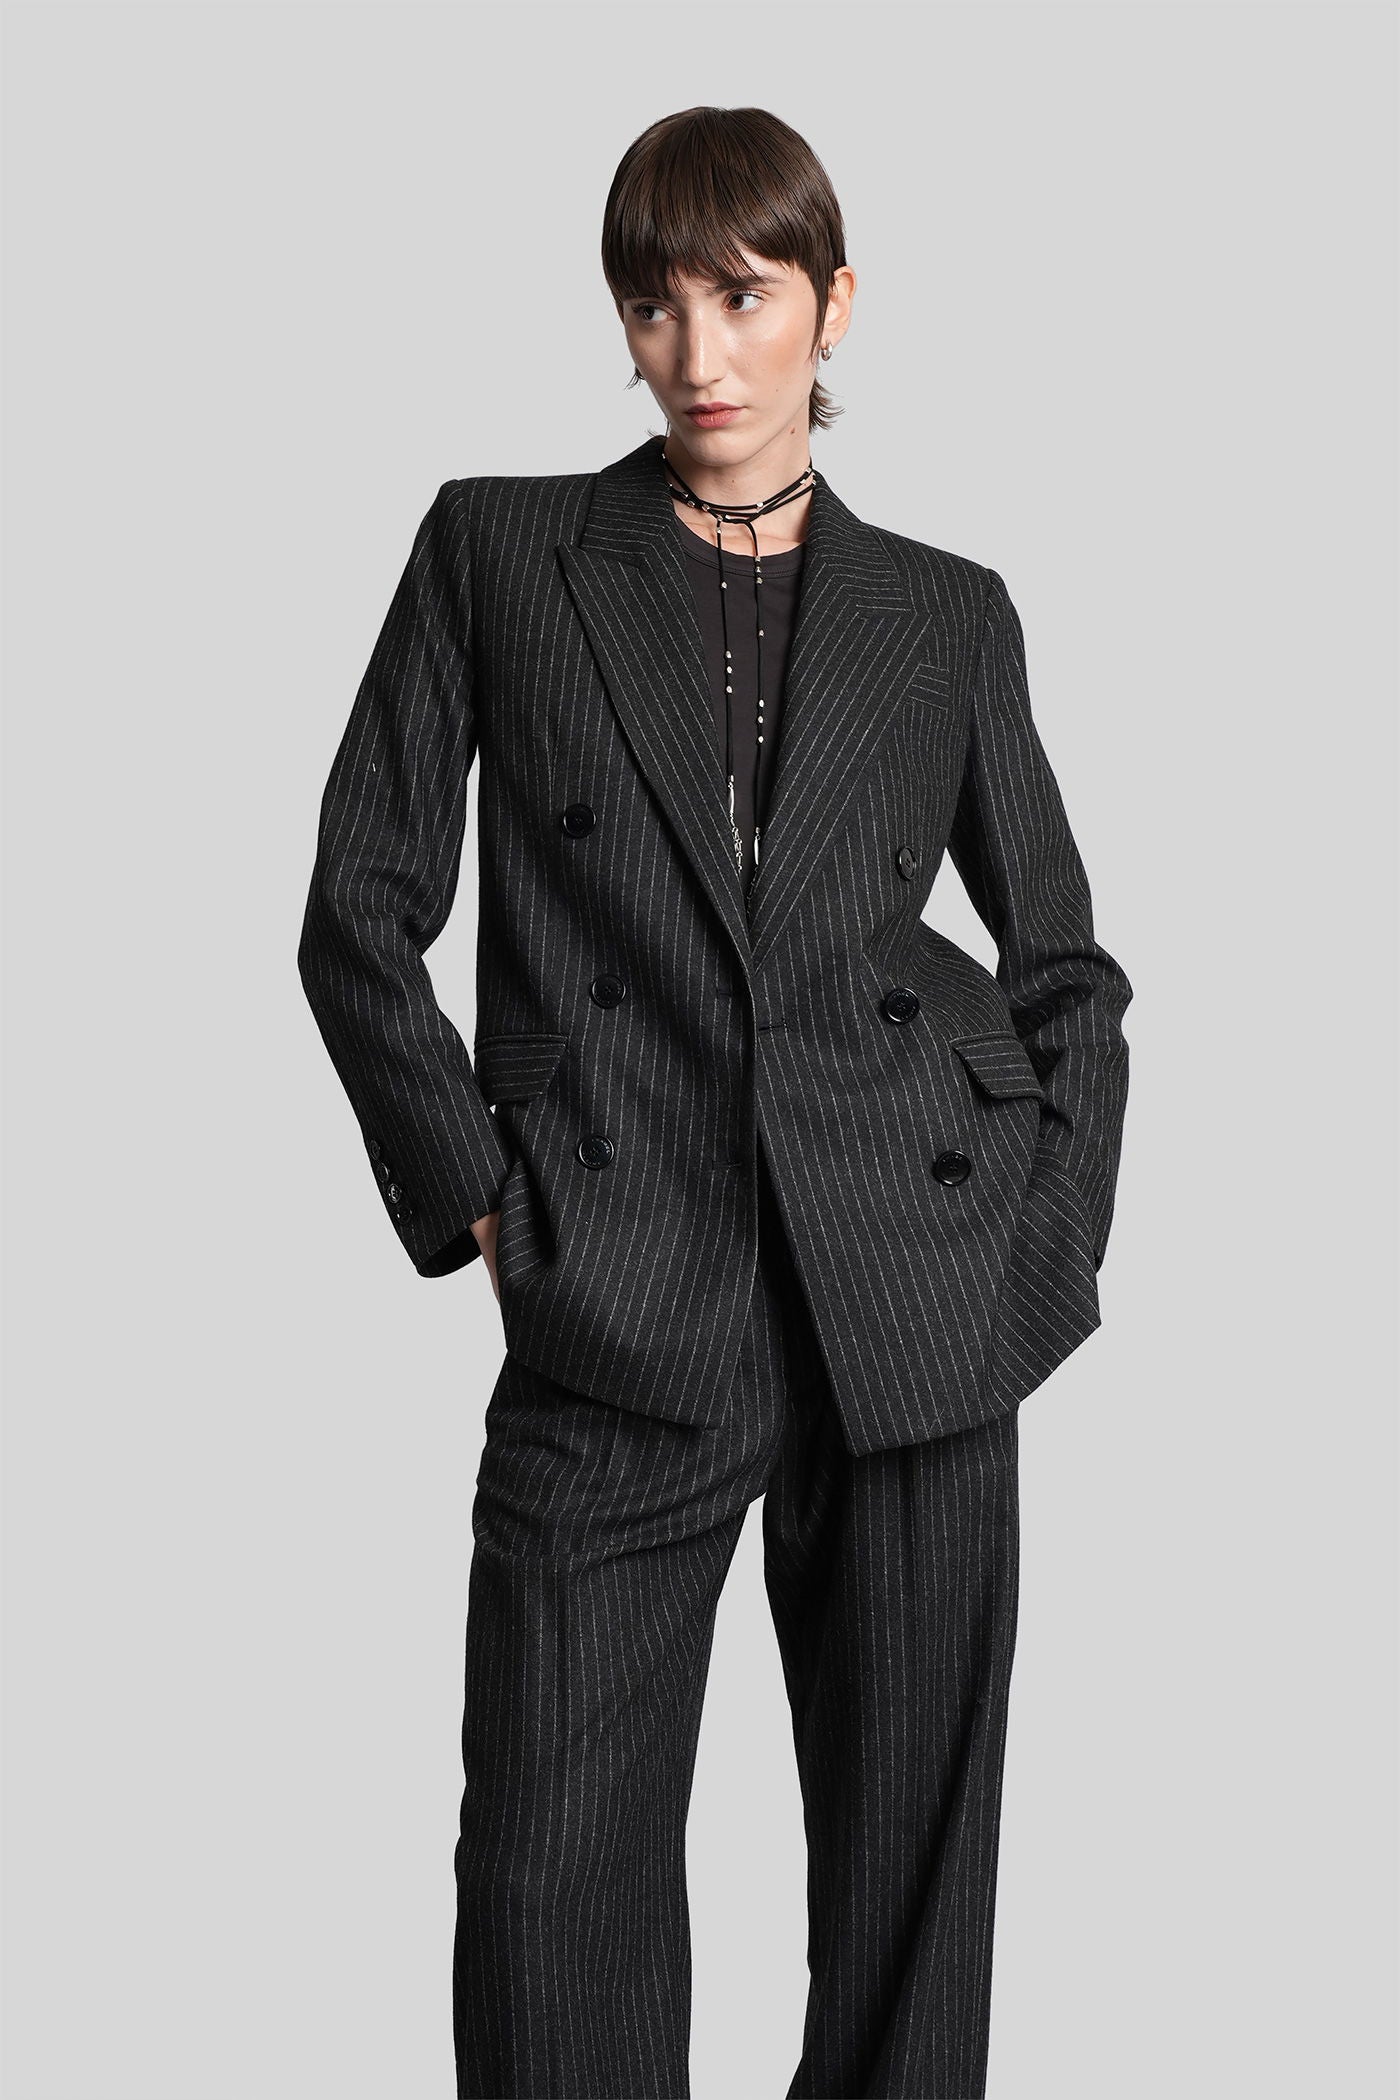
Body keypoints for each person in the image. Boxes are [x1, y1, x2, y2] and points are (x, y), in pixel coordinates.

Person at [297, 103, 1132, 2100]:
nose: (699, 353)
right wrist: (485, 1198)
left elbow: (1065, 972)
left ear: (832, 306)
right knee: (549, 1885)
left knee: (913, 1884)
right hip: (619, 1281)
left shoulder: (946, 611)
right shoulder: (501, 552)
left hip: (909, 1294)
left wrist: (1042, 1246)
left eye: (744, 297)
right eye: (656, 303)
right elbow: (357, 910)